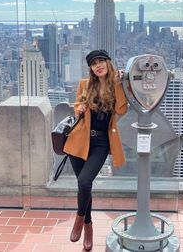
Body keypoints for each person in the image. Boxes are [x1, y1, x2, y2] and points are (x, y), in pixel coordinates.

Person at [63, 49, 128, 251]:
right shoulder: (85, 84)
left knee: (84, 181)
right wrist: (79, 108)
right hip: (79, 141)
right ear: (91, 68)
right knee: (84, 187)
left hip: (100, 143)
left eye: (101, 61)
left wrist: (118, 84)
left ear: (108, 63)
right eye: (94, 63)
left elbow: (121, 110)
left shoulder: (116, 84)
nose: (98, 65)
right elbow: (78, 103)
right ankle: (89, 227)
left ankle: (80, 219)